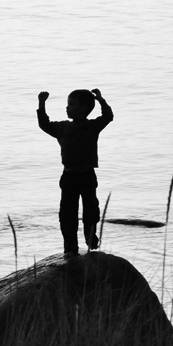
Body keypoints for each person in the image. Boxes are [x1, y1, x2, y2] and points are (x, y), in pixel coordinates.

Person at [37, 88, 114, 254]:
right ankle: (70, 247)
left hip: (87, 175)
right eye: (67, 104)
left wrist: (101, 100)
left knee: (91, 211)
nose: (67, 107)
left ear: (84, 108)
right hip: (69, 176)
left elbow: (108, 117)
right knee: (67, 214)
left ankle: (90, 237)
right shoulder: (62, 128)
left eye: (71, 104)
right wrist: (41, 104)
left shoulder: (92, 126)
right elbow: (44, 124)